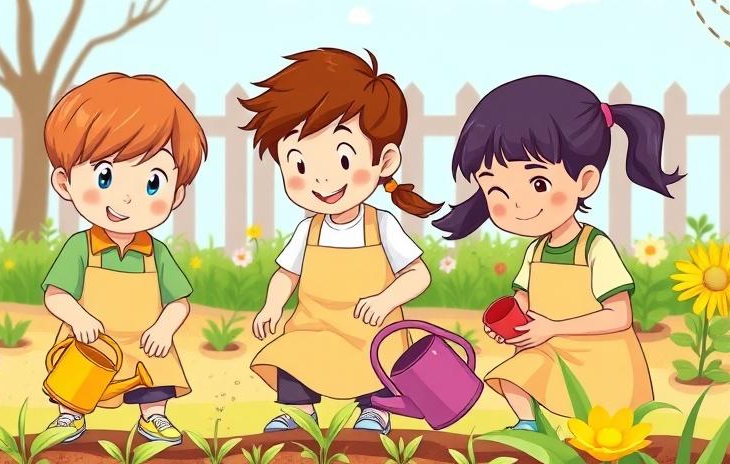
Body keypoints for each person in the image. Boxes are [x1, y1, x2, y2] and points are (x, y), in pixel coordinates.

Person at [433, 75, 668, 429]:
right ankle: (530, 425)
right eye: (495, 188)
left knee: (605, 424)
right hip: (549, 346)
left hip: (602, 356)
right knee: (513, 374)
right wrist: (513, 325)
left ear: (585, 181)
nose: (516, 204)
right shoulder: (536, 250)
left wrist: (556, 327)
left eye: (538, 183)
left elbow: (618, 316)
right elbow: (524, 299)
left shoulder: (595, 247)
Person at [241, 48, 437, 434]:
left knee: (379, 360)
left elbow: (418, 275)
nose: (323, 180)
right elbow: (286, 275)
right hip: (314, 327)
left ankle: (375, 409)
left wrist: (385, 299)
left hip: (370, 330)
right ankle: (300, 411)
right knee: (291, 352)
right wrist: (272, 305)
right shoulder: (308, 230)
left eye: (344, 159)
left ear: (384, 161)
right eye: (299, 164)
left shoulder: (382, 225)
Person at [41, 73, 206, 444]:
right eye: (105, 177)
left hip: (146, 341)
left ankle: (154, 418)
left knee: (156, 374)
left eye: (152, 183)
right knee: (74, 377)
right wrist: (78, 316)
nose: (128, 199)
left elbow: (178, 301)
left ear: (177, 194)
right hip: (92, 338)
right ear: (65, 183)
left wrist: (164, 327)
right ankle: (69, 416)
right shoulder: (80, 247)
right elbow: (56, 295)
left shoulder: (156, 253)